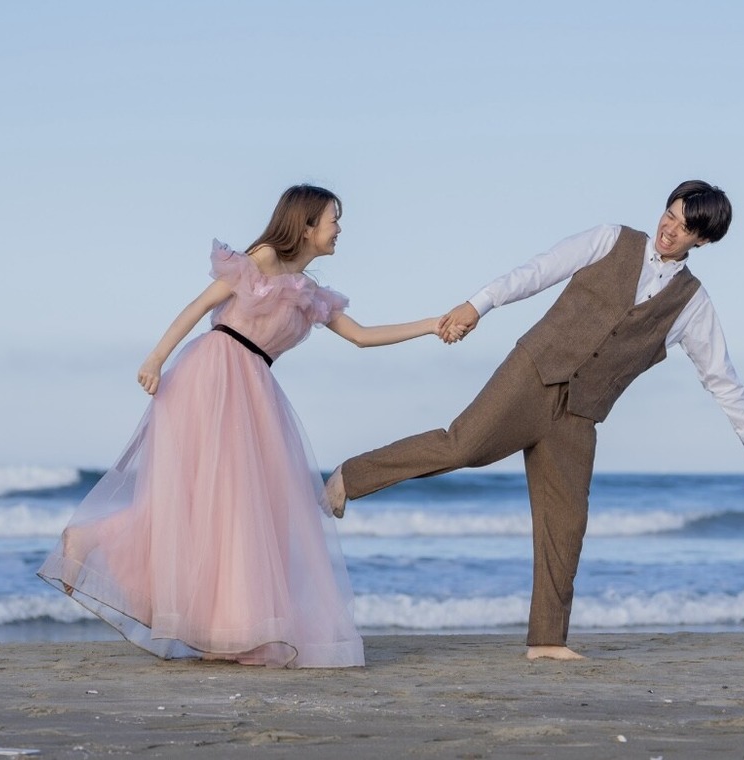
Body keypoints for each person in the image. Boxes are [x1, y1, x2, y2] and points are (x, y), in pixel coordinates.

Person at [325, 180, 744, 661]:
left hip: (581, 413)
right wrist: (476, 306)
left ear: (702, 241)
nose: (670, 229)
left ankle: (546, 641)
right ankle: (350, 477)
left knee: (566, 523)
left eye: (685, 227)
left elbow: (719, 375)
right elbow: (536, 272)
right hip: (533, 373)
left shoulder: (692, 303)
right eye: (670, 214)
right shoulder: (610, 239)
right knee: (462, 446)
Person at [38, 184, 459, 668]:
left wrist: (431, 324)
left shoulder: (311, 294)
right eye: (332, 220)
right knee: (214, 501)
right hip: (212, 377)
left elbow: (362, 337)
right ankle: (93, 542)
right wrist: (156, 358)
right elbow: (197, 308)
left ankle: (223, 627)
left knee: (237, 509)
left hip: (254, 387)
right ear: (305, 226)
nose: (338, 229)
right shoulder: (257, 260)